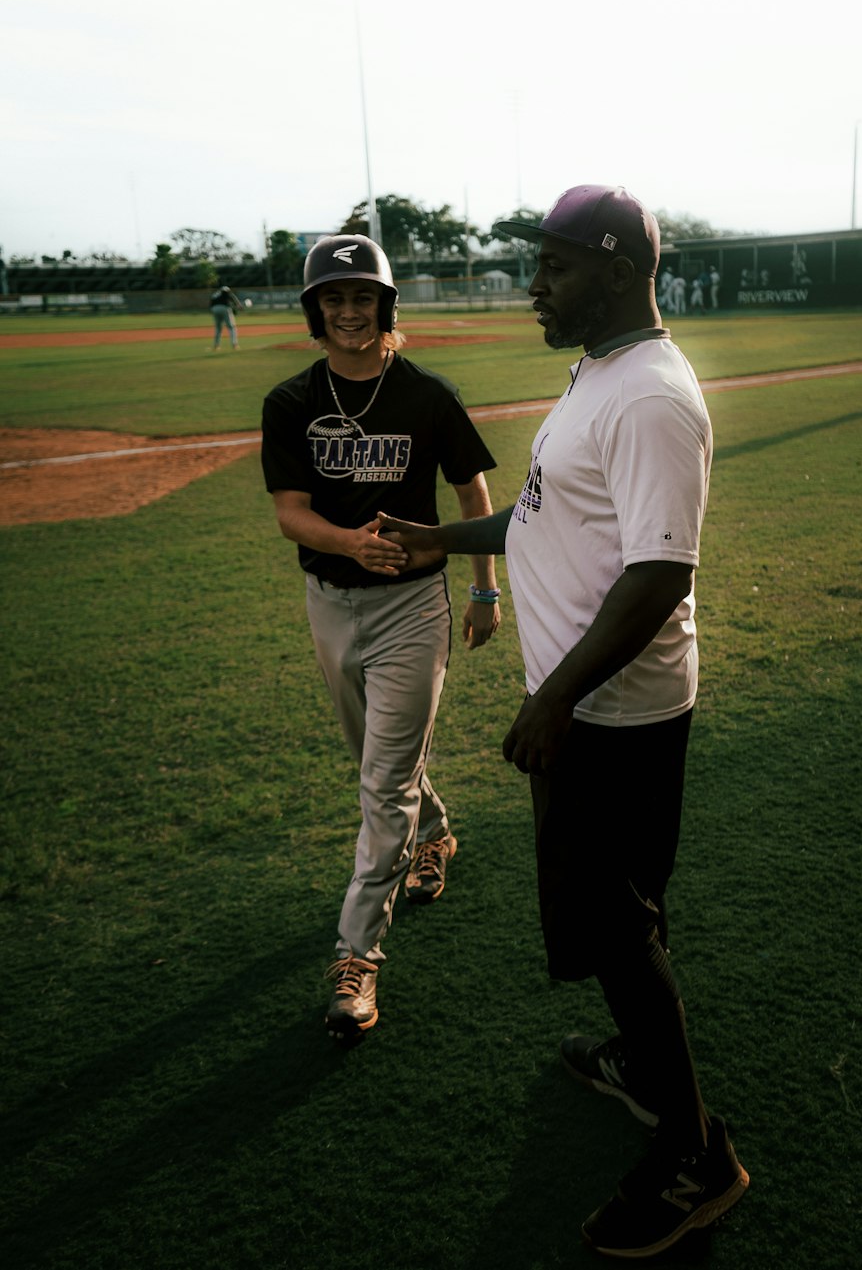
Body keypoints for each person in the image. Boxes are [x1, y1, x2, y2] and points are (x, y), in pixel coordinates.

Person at [381, 185, 748, 1260]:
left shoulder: (650, 398)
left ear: (620, 266)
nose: (531, 284)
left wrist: (554, 699)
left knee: (620, 929)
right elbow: (545, 511)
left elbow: (658, 573)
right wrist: (440, 540)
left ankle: (694, 1158)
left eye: (551, 265)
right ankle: (645, 1070)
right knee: (620, 912)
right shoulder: (597, 376)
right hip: (591, 705)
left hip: (611, 714)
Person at [260, 234, 501, 1043]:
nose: (350, 311)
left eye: (363, 297)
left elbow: (474, 492)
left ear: (385, 307)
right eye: (334, 298)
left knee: (381, 782)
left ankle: (356, 953)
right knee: (378, 761)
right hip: (329, 600)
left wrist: (483, 591)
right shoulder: (291, 401)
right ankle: (435, 832)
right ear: (315, 311)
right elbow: (291, 511)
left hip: (411, 609)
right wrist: (349, 543)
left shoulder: (427, 396)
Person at [210, 283, 243, 349]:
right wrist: (239, 306)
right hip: (224, 308)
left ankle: (216, 345)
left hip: (214, 309)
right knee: (231, 327)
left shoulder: (215, 294)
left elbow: (211, 304)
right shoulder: (226, 292)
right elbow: (233, 298)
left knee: (218, 328)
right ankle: (235, 344)